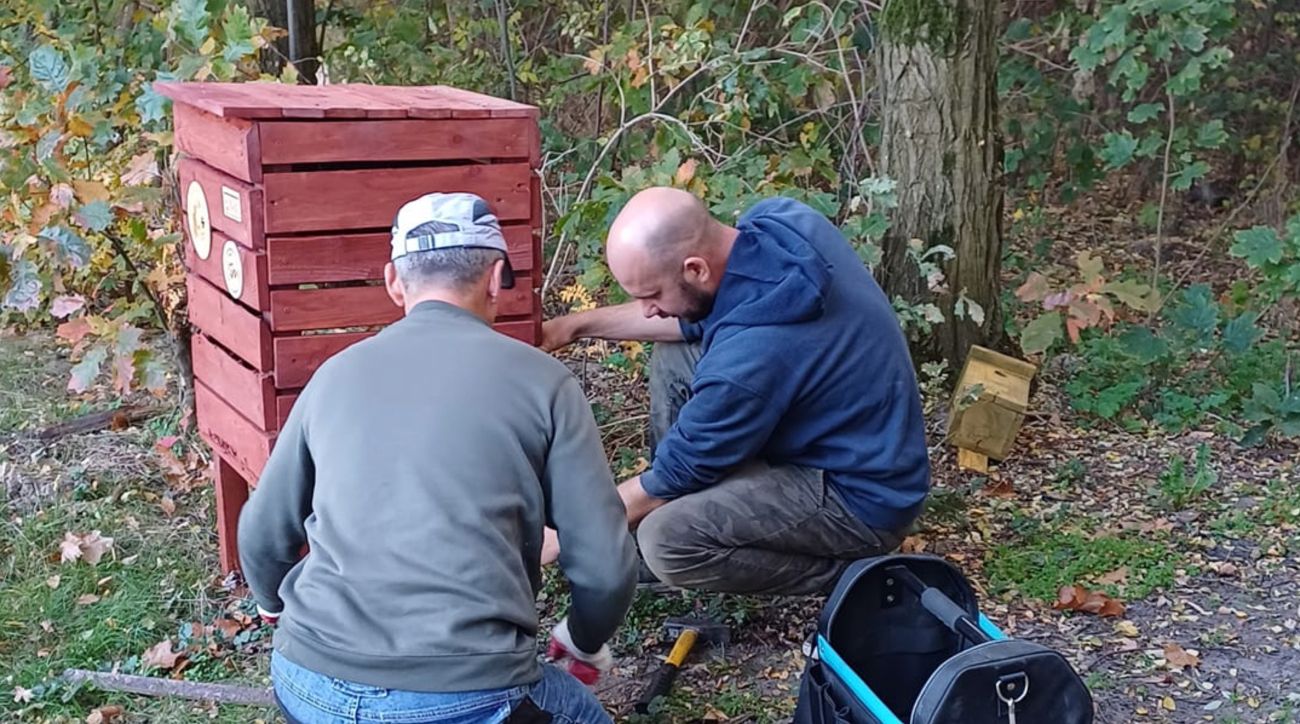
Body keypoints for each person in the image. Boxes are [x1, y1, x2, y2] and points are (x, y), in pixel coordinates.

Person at [238, 192, 637, 724]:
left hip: (308, 683)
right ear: (496, 279)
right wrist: (584, 641)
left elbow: (263, 533)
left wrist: (272, 603)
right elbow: (606, 567)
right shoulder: (545, 384)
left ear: (393, 282)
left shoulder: (335, 375)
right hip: (466, 693)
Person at [541, 187, 930, 596]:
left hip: (860, 499)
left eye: (652, 294)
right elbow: (690, 321)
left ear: (696, 269)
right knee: (675, 357)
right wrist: (569, 327)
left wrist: (570, 532)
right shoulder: (781, 222)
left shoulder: (752, 357)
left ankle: (854, 576)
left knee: (666, 540)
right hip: (856, 435)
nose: (647, 310)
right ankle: (705, 488)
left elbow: (674, 473)